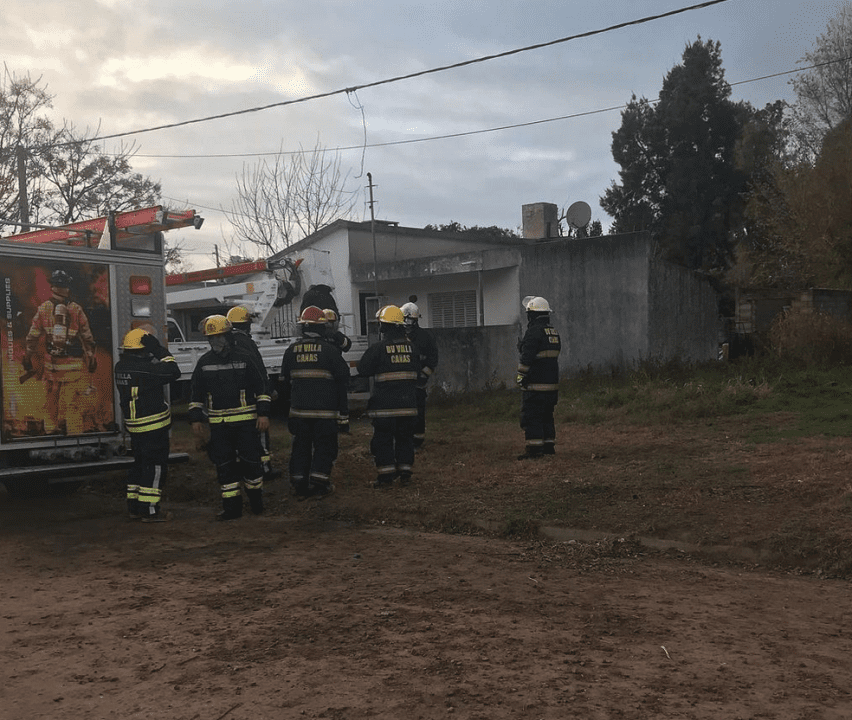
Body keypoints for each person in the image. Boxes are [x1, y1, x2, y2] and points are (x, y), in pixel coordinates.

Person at [188, 315, 271, 520]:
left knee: (251, 463)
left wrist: (263, 414)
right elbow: (195, 394)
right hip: (219, 426)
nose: (216, 342)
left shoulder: (245, 357)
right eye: (211, 338)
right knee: (224, 467)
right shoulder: (204, 363)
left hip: (245, 423)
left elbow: (261, 387)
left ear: (228, 336)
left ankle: (256, 502)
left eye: (219, 337)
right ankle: (231, 508)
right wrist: (196, 419)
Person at [279, 306, 349, 499]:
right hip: (324, 414)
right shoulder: (329, 351)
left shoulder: (291, 351)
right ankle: (319, 486)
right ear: (322, 328)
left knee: (300, 447)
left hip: (299, 412)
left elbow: (284, 382)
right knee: (324, 447)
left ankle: (300, 486)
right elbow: (343, 377)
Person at [114, 328, 181, 522]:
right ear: (143, 351)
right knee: (155, 467)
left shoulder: (121, 366)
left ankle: (135, 507)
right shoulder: (146, 369)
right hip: (153, 426)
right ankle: (150, 511)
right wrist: (159, 350)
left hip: (135, 427)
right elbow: (173, 371)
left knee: (139, 466)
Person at [23, 269, 97, 435]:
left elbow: (33, 336)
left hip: (52, 367)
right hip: (73, 368)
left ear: (53, 287)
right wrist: (91, 358)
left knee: (51, 400)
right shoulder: (76, 309)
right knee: (73, 403)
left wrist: (27, 357)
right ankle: (74, 433)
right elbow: (87, 337)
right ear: (67, 287)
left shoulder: (44, 308)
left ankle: (50, 431)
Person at [357, 305, 420, 488]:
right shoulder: (412, 349)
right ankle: (405, 473)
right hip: (408, 405)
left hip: (384, 408)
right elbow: (417, 371)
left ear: (384, 327)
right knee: (405, 439)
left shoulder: (378, 349)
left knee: (383, 441)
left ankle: (386, 476)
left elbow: (363, 369)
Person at [225, 305, 279, 482]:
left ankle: (240, 467)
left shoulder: (224, 343)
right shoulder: (247, 343)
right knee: (260, 433)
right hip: (250, 397)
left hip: (230, 401)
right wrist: (269, 390)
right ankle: (264, 468)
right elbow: (259, 370)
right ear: (245, 325)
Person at [516, 296, 561, 460]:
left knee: (532, 416)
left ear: (532, 315)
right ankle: (548, 446)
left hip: (535, 386)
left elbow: (527, 357)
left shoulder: (533, 331)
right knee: (547, 416)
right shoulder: (553, 332)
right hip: (551, 386)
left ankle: (534, 450)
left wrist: (521, 377)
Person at [400, 297, 438, 449]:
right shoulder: (399, 337)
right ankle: (404, 439)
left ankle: (418, 440)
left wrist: (424, 375)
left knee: (418, 412)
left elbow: (433, 358)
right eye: (404, 321)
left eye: (409, 321)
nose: (407, 325)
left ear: (415, 321)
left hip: (418, 383)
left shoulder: (425, 337)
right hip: (402, 383)